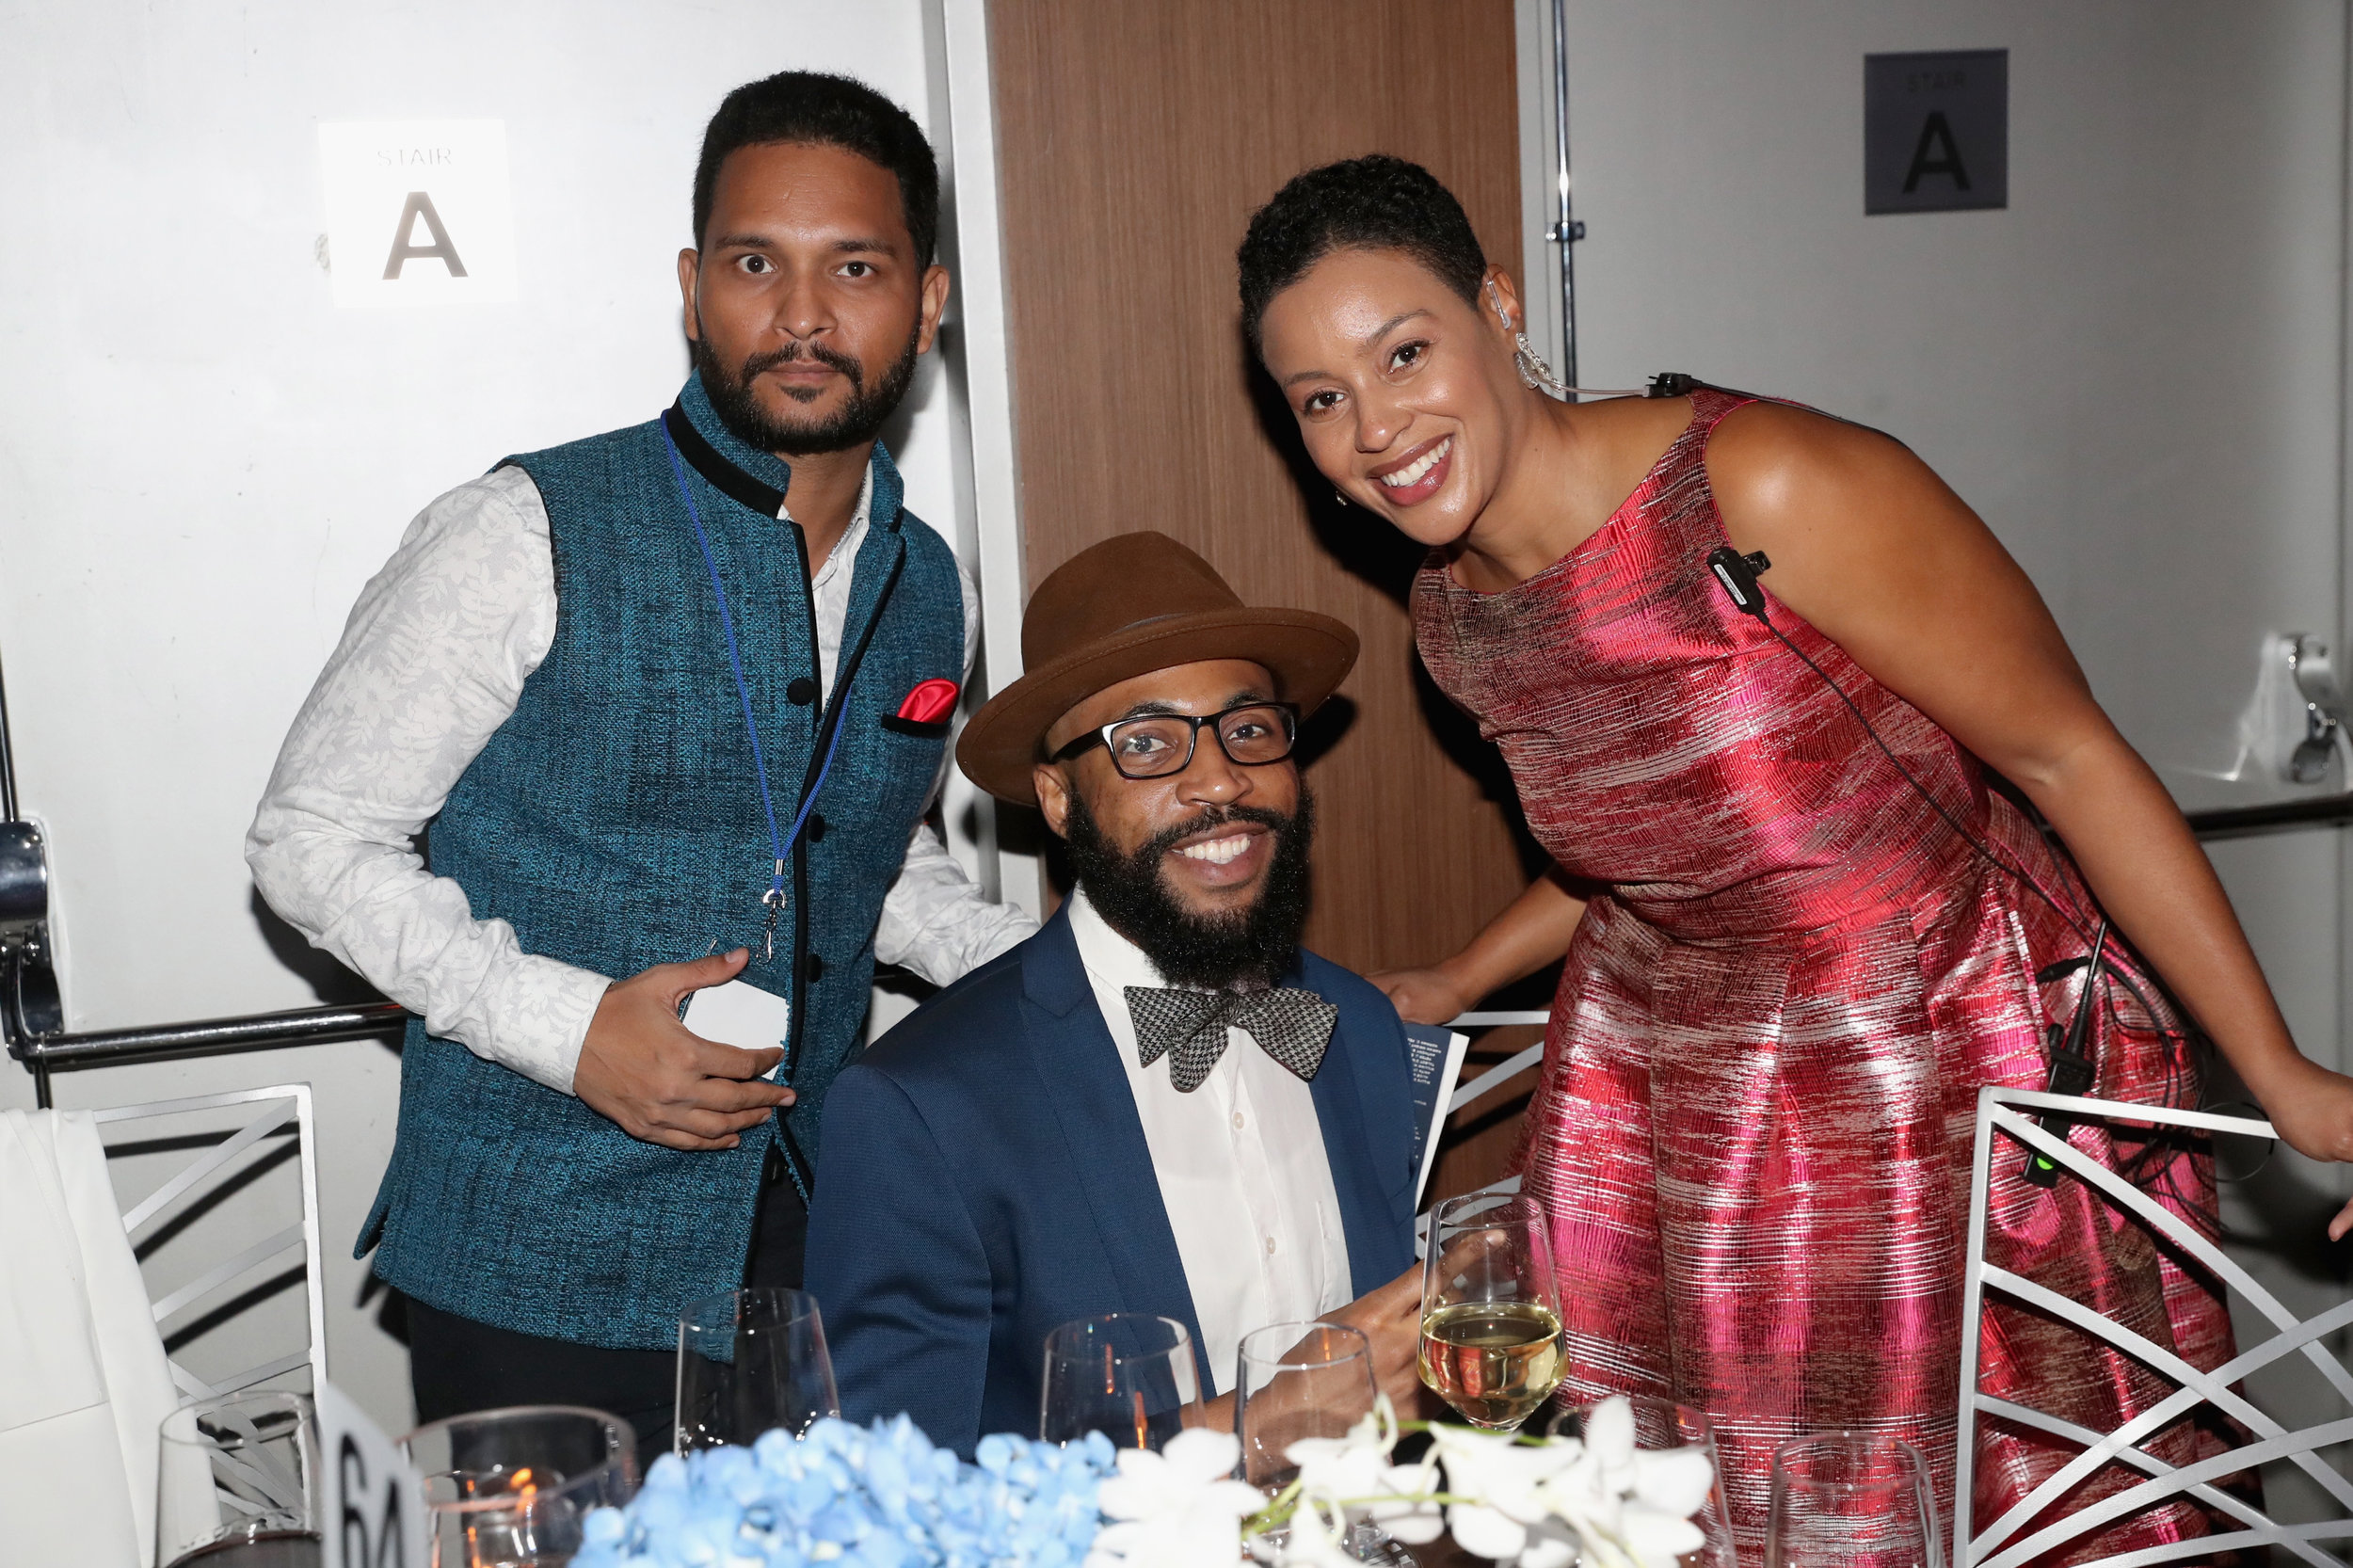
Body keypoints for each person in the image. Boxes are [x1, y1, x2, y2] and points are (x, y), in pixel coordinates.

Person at [1236, 154, 2353, 1551]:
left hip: (1936, 1053)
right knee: (1685, 1505)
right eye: (1320, 401)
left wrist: (2287, 1077)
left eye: (1405, 353)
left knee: (1975, 1507)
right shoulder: (1450, 619)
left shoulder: (1758, 485)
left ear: (1498, 304)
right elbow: (1645, 842)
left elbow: (2070, 759)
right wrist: (1460, 971)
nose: (1375, 427)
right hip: (1672, 1078)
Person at [247, 72, 1033, 1455]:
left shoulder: (931, 586)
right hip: (530, 1242)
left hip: (818, 1235)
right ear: (692, 287)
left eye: (854, 266)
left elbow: (864, 852)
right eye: (753, 264)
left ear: (929, 299)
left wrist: (1061, 976)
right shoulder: (522, 527)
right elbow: (312, 838)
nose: (801, 315)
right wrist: (573, 1027)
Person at [803, 532, 1423, 1456]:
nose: (1219, 777)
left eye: (1248, 728)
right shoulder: (920, 1107)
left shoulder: (1361, 1028)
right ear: (1058, 800)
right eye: (1146, 744)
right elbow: (889, 1509)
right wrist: (1244, 1432)